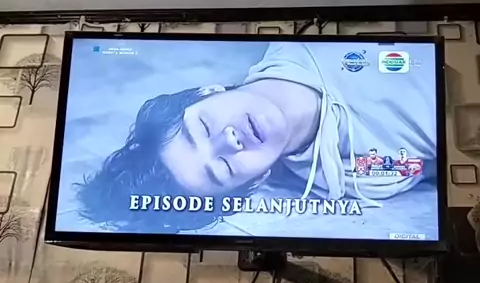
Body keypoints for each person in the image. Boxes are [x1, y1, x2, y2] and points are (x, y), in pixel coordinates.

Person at [77, 42, 437, 232]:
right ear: (257, 180)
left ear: (206, 92)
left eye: (203, 127)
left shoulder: (329, 49)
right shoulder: (334, 179)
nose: (230, 142)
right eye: (223, 169)